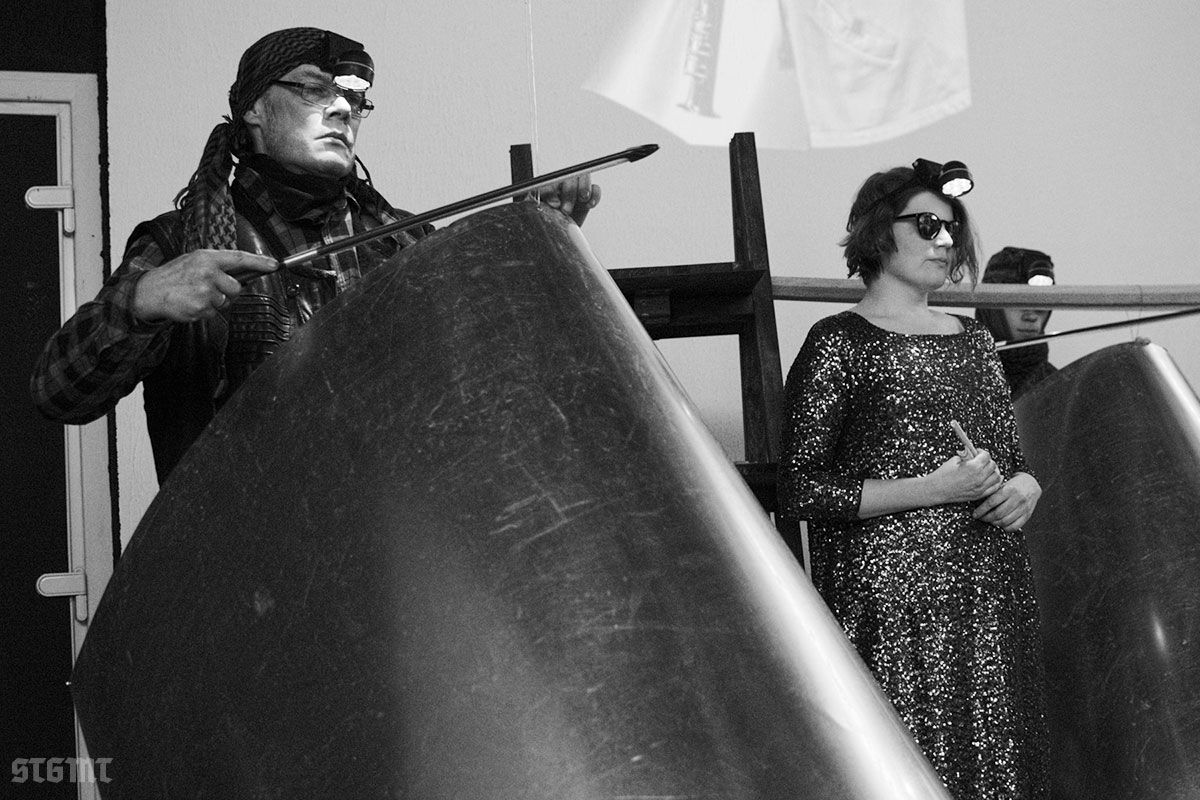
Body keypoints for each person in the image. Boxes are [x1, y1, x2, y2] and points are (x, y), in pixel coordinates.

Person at [30, 27, 599, 484]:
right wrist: (140, 303)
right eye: (314, 89)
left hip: (393, 558)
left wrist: (542, 248)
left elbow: (499, 381)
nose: (342, 109)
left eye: (354, 98)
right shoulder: (183, 242)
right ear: (255, 108)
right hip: (241, 564)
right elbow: (57, 394)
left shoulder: (404, 242)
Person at [777, 160, 1049, 798]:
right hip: (890, 609)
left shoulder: (975, 341)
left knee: (998, 771)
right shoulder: (838, 342)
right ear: (879, 232)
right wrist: (932, 489)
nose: (945, 241)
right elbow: (801, 489)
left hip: (989, 598)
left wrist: (1026, 487)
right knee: (904, 771)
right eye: (927, 225)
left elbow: (1012, 460)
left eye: (952, 228)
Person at [975, 247, 1057, 400]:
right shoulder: (959, 377)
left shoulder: (1058, 385)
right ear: (991, 308)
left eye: (1041, 304)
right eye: (1018, 302)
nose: (1031, 316)